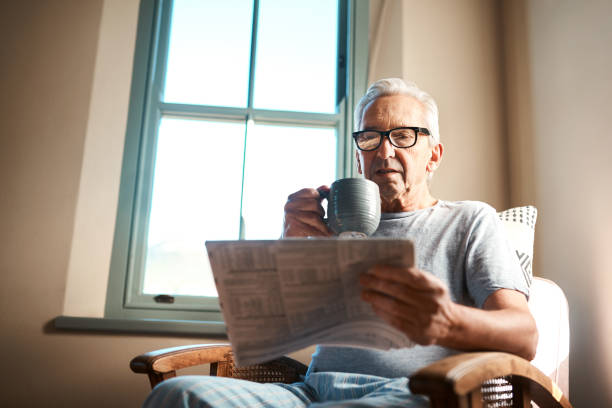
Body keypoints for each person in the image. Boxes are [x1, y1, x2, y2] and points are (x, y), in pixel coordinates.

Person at [143, 78, 537, 407]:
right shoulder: (331, 227)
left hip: (408, 394)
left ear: (433, 155)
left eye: (402, 136)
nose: (385, 151)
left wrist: (447, 321)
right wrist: (288, 241)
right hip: (309, 392)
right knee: (180, 394)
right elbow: (270, 331)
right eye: (370, 138)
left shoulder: (469, 220)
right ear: (358, 157)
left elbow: (524, 335)